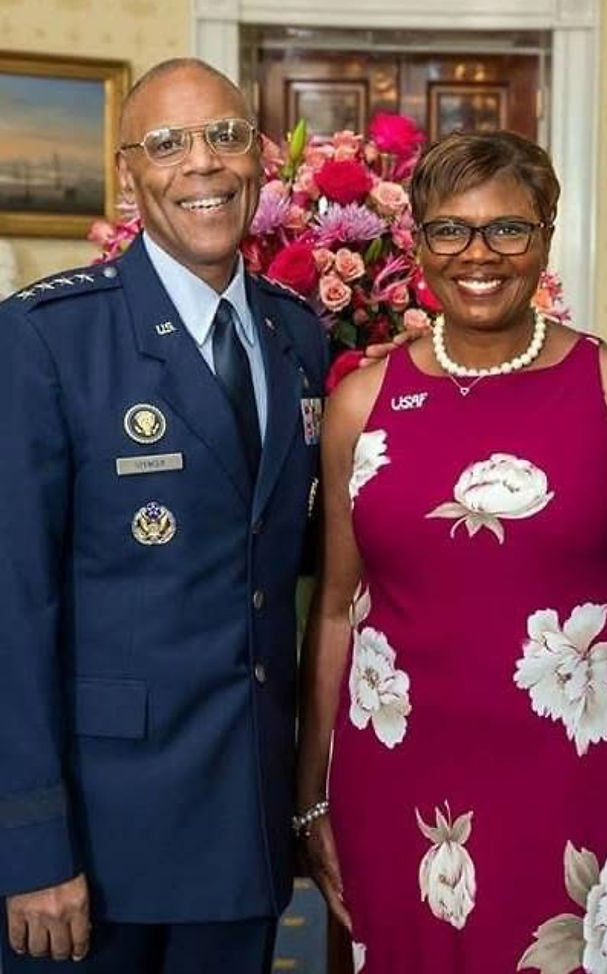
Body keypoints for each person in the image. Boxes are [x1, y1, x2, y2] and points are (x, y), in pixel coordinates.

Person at [295, 130, 607, 972]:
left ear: (546, 236)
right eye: (450, 230)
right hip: (396, 775)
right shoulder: (362, 402)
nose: (478, 254)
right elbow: (337, 611)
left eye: (509, 229)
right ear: (418, 241)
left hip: (576, 776)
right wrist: (311, 798)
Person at [0, 58, 329, 973]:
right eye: (169, 143)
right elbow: (11, 608)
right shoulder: (46, 338)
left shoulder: (295, 331)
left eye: (225, 135)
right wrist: (29, 847)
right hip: (99, 843)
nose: (203, 164)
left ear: (259, 161)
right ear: (127, 173)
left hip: (246, 823)